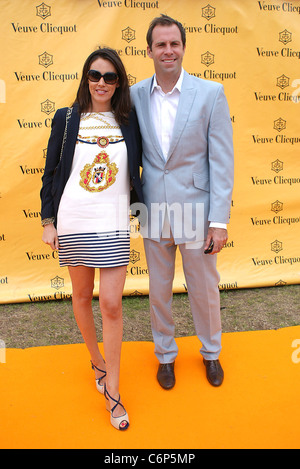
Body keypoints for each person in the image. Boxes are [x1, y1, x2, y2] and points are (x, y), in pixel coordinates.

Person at [41, 47, 143, 430]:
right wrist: (48, 220)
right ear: (86, 78)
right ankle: (96, 361)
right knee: (82, 296)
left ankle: (113, 390)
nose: (102, 82)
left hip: (114, 221)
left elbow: (143, 166)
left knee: (112, 304)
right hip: (74, 217)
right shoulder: (66, 119)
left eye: (110, 77)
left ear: (119, 83)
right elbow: (50, 171)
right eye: (95, 75)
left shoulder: (129, 120)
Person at [130, 15, 234, 390]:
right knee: (158, 290)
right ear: (149, 51)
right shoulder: (137, 94)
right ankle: (165, 357)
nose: (168, 50)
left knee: (204, 289)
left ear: (184, 48)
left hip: (197, 210)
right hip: (153, 210)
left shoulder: (210, 93)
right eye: (161, 44)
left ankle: (211, 353)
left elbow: (222, 161)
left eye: (174, 43)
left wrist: (218, 221)